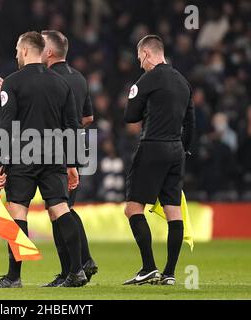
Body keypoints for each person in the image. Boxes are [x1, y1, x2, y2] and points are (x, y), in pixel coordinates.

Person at [0, 31, 87, 288]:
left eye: (17, 50)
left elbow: (6, 126)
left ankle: (14, 277)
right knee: (60, 209)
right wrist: (72, 163)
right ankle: (77, 271)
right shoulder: (61, 83)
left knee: (18, 210)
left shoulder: (13, 82)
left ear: (24, 51)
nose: (15, 54)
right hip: (55, 156)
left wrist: (1, 163)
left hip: (23, 156)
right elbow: (72, 126)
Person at [123, 35, 195, 285]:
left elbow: (130, 116)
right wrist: (182, 151)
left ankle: (148, 267)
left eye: (139, 58)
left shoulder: (148, 79)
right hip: (177, 150)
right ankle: (170, 274)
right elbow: (191, 124)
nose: (139, 62)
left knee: (132, 209)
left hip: (153, 146)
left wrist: (145, 106)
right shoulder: (183, 82)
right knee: (174, 212)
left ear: (145, 53)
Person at [40, 30, 98, 286]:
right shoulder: (80, 78)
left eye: (39, 46)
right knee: (64, 209)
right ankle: (83, 262)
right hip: (77, 149)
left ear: (49, 52)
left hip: (56, 153)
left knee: (57, 210)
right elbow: (87, 118)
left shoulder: (48, 78)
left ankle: (71, 271)